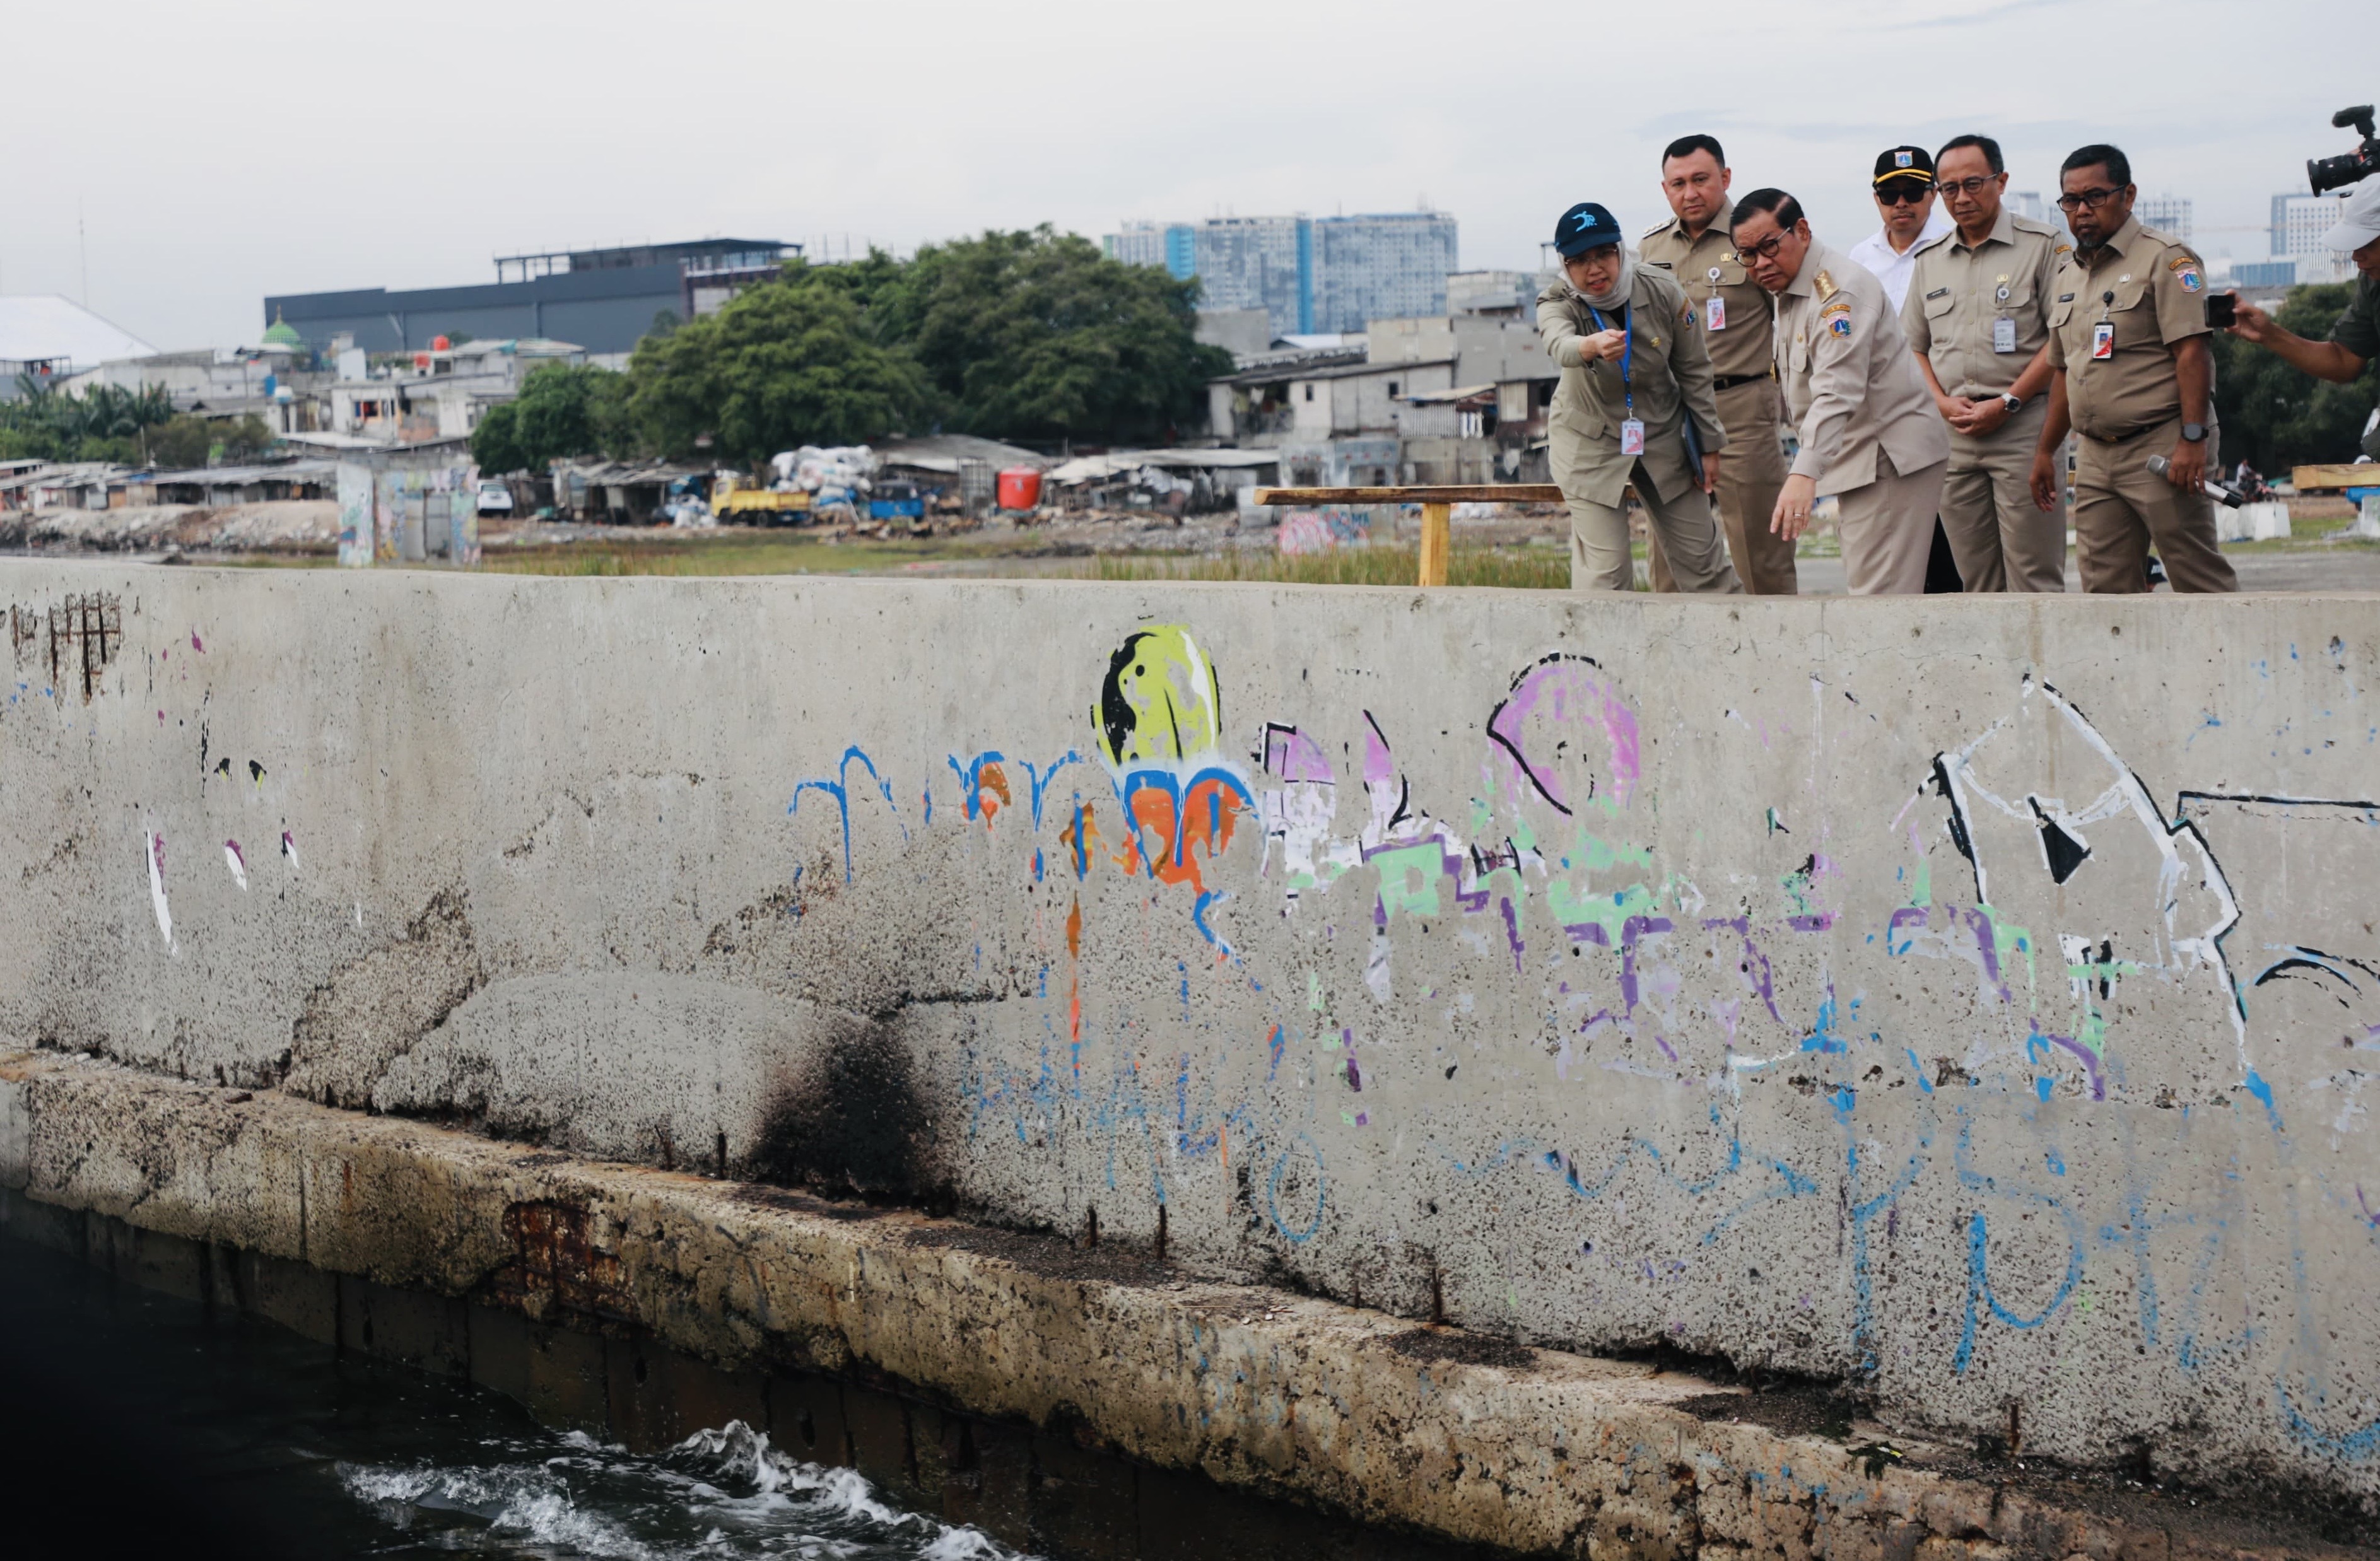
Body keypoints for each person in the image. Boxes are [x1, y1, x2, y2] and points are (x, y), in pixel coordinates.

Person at [2026, 144, 2237, 593]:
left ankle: (2217, 665)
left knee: (2197, 581)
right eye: (2070, 200)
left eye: (2095, 197)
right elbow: (2063, 370)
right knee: (2105, 592)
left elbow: (2192, 353)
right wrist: (2046, 451)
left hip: (2162, 444)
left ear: (2128, 195)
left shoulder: (2166, 259)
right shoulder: (2067, 275)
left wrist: (2192, 439)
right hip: (2095, 455)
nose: (2081, 211)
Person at [1732, 189, 1949, 594]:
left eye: (1769, 246)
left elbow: (1837, 390)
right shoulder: (1793, 290)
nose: (1761, 263)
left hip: (1887, 460)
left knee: (1879, 602)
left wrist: (1803, 472)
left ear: (1802, 231)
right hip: (1861, 461)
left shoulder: (1838, 294)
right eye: (1748, 255)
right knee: (1878, 595)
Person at [1537, 200, 1741, 593]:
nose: (1595, 269)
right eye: (1580, 260)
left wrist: (1709, 444)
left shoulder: (1662, 289)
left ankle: (1731, 650)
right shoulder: (1557, 300)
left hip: (1661, 432)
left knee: (1705, 565)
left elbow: (1695, 370)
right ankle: (1599, 655)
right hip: (1588, 441)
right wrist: (1589, 346)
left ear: (1620, 249)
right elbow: (1559, 344)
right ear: (1565, 265)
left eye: (1604, 254)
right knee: (1607, 576)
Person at [1902, 134, 2071, 592]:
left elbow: (2061, 339)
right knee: (1976, 581)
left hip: (2022, 430)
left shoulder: (2041, 246)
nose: (1961, 198)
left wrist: (2009, 401)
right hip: (1954, 437)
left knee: (2033, 577)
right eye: (1949, 188)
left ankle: (2040, 667)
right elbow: (1912, 345)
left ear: (2001, 181)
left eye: (1973, 184)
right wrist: (1938, 402)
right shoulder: (1930, 261)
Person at [1639, 133, 1798, 595]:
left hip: (1740, 409)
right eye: (1677, 183)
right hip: (1670, 416)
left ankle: (1774, 661)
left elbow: (1790, 315)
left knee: (1759, 554)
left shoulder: (1751, 236)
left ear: (1725, 178)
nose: (1689, 193)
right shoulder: (1651, 249)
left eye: (1701, 180)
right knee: (1670, 561)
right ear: (1665, 189)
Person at [2227, 172, 2380, 459]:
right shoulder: (2374, 283)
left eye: (2368, 244)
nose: (2357, 258)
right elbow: (2344, 360)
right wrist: (2270, 335)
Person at [1850, 146, 1956, 312]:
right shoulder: (1860, 258)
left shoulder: (1954, 249)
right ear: (1877, 199)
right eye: (1889, 194)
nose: (1901, 203)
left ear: (1934, 194)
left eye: (1913, 192)